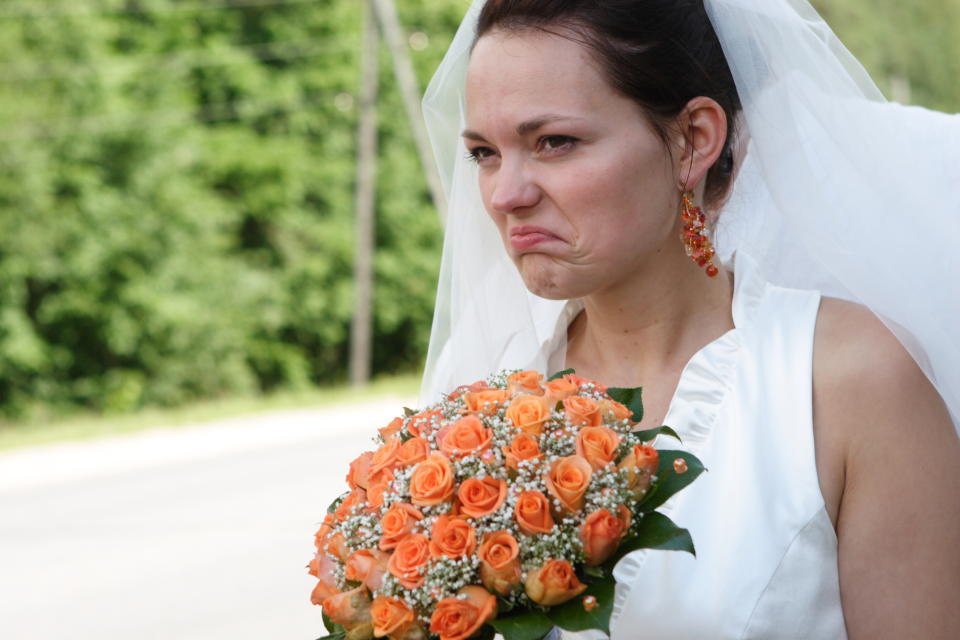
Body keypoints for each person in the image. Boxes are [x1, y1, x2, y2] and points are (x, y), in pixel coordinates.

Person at [418, 0, 960, 638]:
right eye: (484, 152)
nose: (507, 194)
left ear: (693, 139)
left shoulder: (849, 381)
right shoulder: (483, 384)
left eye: (554, 142)